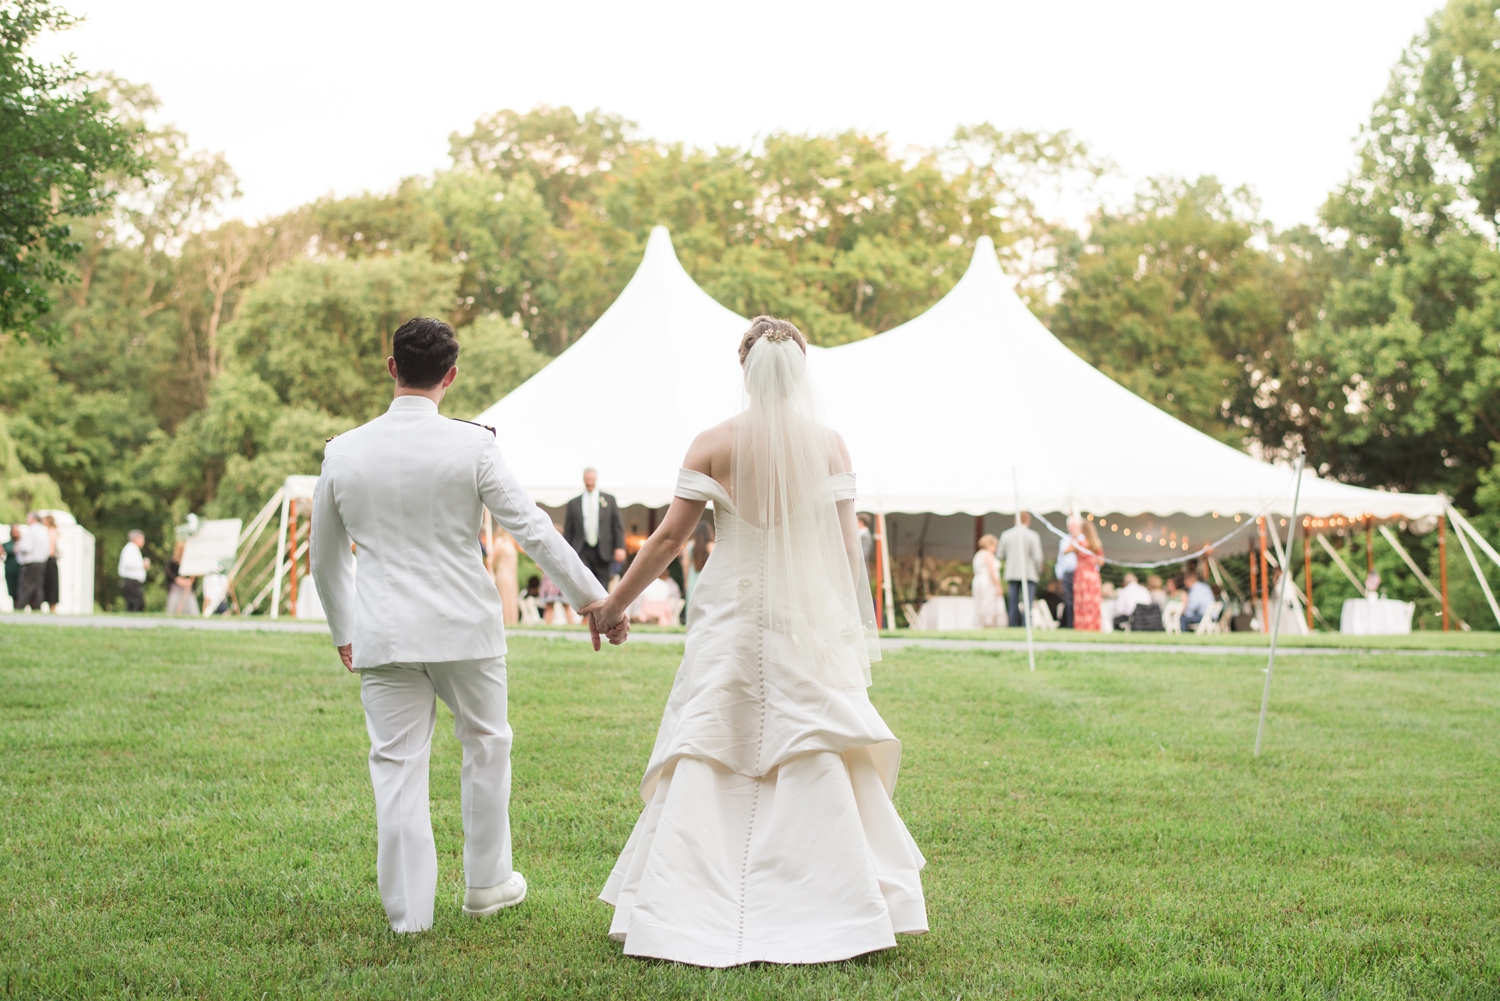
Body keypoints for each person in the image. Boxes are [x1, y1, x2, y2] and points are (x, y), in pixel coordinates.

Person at [591, 316, 925, 966]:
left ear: (743, 367)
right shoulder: (830, 446)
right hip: (803, 611)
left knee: (716, 736)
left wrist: (614, 605)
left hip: (733, 608)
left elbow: (666, 540)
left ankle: (684, 900)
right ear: (800, 372)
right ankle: (830, 897)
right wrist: (836, 620)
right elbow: (840, 542)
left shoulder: (713, 442)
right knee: (809, 739)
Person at [310, 316, 626, 935]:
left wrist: (344, 631)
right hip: (464, 628)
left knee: (397, 765)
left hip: (384, 631)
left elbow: (326, 558)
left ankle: (409, 916)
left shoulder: (341, 451)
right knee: (487, 743)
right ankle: (486, 883)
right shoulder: (473, 445)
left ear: (392, 368)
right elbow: (532, 527)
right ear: (450, 377)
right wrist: (597, 598)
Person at [563, 468, 627, 591]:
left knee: (602, 586)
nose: (590, 483)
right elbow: (568, 531)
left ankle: (600, 610)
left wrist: (620, 547)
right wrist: (567, 551)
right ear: (583, 480)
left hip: (604, 549)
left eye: (591, 480)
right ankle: (587, 610)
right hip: (582, 549)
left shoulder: (609, 500)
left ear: (596, 480)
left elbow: (617, 526)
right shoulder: (573, 503)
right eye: (587, 480)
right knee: (584, 583)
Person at [998, 512, 1043, 628]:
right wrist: (1037, 571)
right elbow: (1038, 557)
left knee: (1013, 602)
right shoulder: (1033, 535)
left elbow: (1000, 555)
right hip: (1029, 574)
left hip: (1012, 573)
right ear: (1028, 520)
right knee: (1027, 602)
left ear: (1015, 520)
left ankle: (1013, 625)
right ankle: (1026, 625)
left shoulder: (1006, 535)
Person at [1070, 521, 1103, 631]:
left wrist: (1073, 537)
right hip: (1093, 576)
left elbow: (1065, 550)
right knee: (1093, 602)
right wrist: (1092, 560)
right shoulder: (1096, 543)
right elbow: (1101, 561)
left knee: (1082, 602)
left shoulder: (1080, 543)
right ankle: (1094, 626)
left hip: (1082, 576)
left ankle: (1083, 625)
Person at [1056, 514, 1084, 628]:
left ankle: (1081, 625)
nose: (1072, 528)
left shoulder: (1084, 539)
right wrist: (1059, 574)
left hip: (1081, 574)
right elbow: (1061, 559)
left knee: (1080, 601)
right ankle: (1070, 625)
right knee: (1068, 601)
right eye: (1070, 525)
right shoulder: (1064, 541)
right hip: (1068, 574)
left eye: (1074, 525)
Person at [490, 528, 520, 625]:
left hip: (512, 573)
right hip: (504, 573)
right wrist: (495, 571)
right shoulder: (499, 541)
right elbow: (491, 560)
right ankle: (506, 621)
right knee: (505, 597)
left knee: (512, 597)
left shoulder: (510, 542)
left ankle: (513, 621)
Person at [972, 533, 1001, 627]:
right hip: (987, 581)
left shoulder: (978, 554)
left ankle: (980, 623)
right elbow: (992, 572)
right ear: (989, 545)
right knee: (988, 602)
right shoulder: (988, 555)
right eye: (994, 546)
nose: (995, 549)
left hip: (978, 580)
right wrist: (998, 586)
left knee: (979, 601)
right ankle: (988, 624)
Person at [117, 529, 149, 612]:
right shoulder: (130, 549)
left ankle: (131, 622)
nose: (143, 541)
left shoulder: (133, 549)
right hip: (131, 580)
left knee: (133, 603)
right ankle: (134, 622)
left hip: (133, 581)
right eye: (142, 538)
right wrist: (143, 564)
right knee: (137, 603)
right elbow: (128, 564)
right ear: (136, 538)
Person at [165, 539, 199, 616]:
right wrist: (177, 579)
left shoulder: (189, 561)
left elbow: (193, 574)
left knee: (189, 603)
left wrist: (189, 581)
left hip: (187, 587)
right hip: (176, 587)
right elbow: (168, 572)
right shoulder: (172, 562)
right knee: (175, 602)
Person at [1180, 568, 1216, 633]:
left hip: (1204, 616)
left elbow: (1192, 606)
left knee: (1183, 619)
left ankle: (1184, 637)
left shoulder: (1194, 590)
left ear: (1188, 580)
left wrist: (1184, 613)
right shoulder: (1205, 586)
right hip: (1213, 615)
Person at [41, 514, 59, 612]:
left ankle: (52, 608)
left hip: (49, 560)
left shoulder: (51, 531)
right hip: (49, 560)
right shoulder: (49, 531)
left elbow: (51, 549)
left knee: (51, 584)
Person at [4, 525, 21, 609]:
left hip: (21, 570)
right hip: (11, 570)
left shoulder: (23, 542)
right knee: (13, 591)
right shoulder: (6, 545)